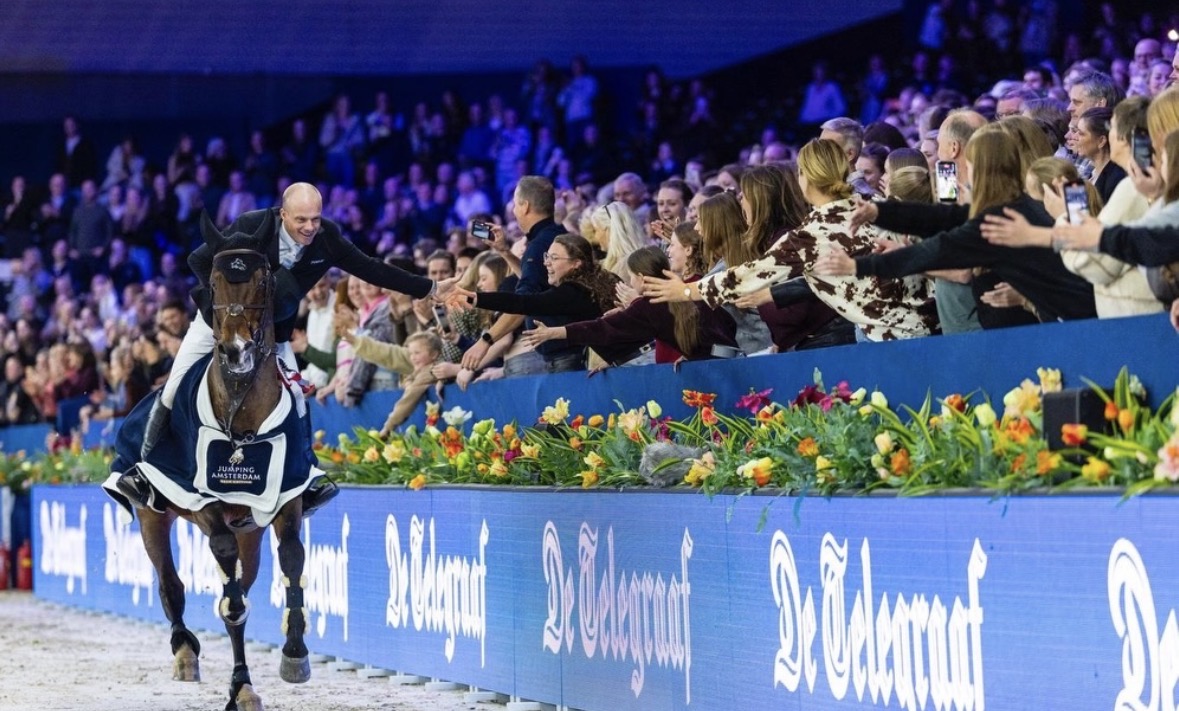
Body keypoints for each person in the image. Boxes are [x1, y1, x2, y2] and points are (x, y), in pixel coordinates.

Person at [141, 182, 456, 457]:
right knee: (173, 388)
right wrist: (224, 312)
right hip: (218, 324)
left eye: (315, 219)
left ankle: (306, 476)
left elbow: (373, 269)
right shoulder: (251, 225)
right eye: (301, 219)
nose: (310, 227)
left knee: (297, 398)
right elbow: (198, 259)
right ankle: (144, 464)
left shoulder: (327, 238)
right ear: (283, 214)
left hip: (272, 333)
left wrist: (430, 287)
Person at [645, 140, 938, 342]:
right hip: (932, 328)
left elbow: (748, 275)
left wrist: (686, 290)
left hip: (893, 340)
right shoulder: (875, 205)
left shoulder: (812, 235)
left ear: (805, 178)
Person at [814, 130, 1097, 324]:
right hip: (1080, 317)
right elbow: (939, 217)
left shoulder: (996, 223)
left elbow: (933, 251)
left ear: (980, 170)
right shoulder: (1012, 205)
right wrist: (879, 212)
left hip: (1080, 324)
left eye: (969, 165)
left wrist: (858, 266)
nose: (965, 173)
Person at [521, 244, 738, 364]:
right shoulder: (685, 288)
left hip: (713, 369)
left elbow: (602, 329)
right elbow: (728, 322)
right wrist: (695, 354)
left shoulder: (648, 305)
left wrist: (553, 332)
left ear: (641, 278)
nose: (629, 282)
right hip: (733, 360)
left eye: (631, 276)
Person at [454, 233, 623, 372]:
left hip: (621, 364)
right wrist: (612, 359)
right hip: (620, 361)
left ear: (576, 264)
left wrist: (473, 298)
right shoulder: (598, 281)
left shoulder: (574, 291)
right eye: (547, 256)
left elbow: (523, 302)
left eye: (554, 258)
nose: (546, 262)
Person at [334, 310, 446, 437]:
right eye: (411, 353)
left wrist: (388, 428)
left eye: (417, 353)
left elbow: (408, 400)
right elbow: (387, 353)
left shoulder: (431, 370)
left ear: (434, 354)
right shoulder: (419, 363)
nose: (413, 357)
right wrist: (354, 340)